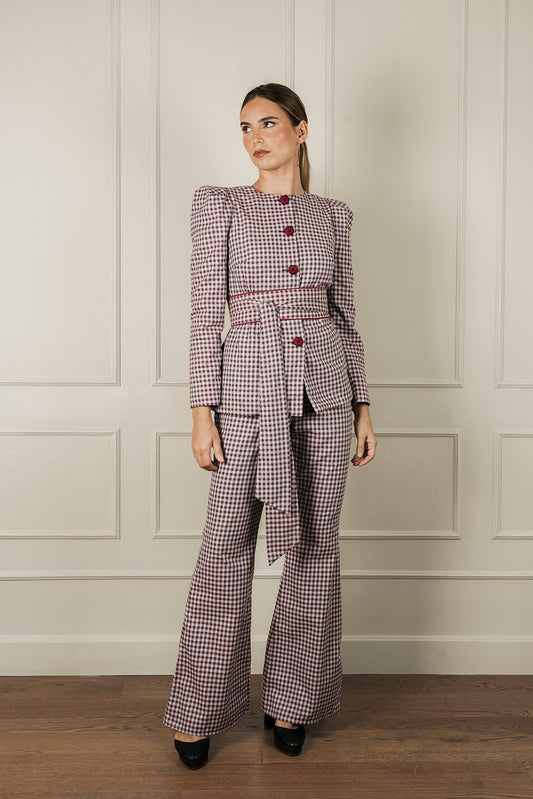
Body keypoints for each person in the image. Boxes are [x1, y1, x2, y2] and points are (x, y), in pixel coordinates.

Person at [163, 82, 377, 770]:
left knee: (315, 549)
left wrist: (363, 406)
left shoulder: (333, 216)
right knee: (224, 549)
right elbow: (205, 313)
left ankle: (292, 702)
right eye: (245, 127)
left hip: (325, 396)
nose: (254, 137)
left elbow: (345, 317)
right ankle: (198, 710)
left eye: (269, 123)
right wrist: (201, 412)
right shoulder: (219, 204)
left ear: (300, 130)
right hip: (245, 395)